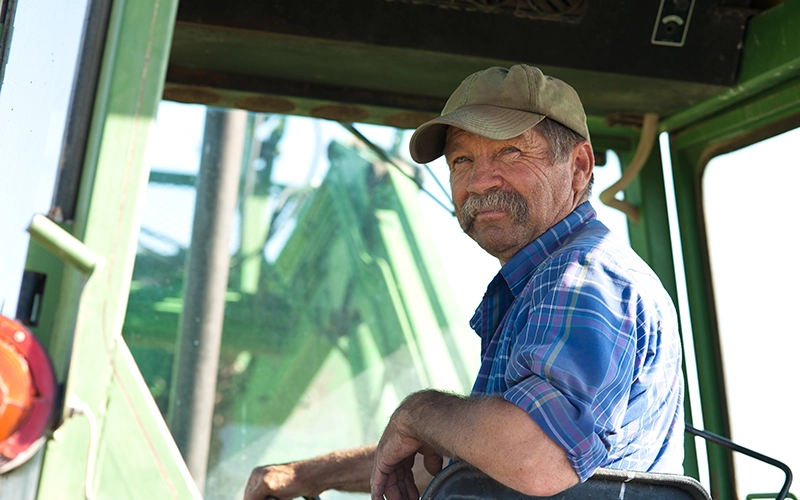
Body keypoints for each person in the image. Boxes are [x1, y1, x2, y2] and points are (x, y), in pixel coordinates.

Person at [244, 64, 684, 500]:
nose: (478, 181)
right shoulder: (535, 287)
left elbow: (537, 458)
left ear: (578, 167)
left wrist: (418, 411)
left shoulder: (582, 277)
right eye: (462, 159)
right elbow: (475, 466)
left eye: (510, 152)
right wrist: (311, 475)